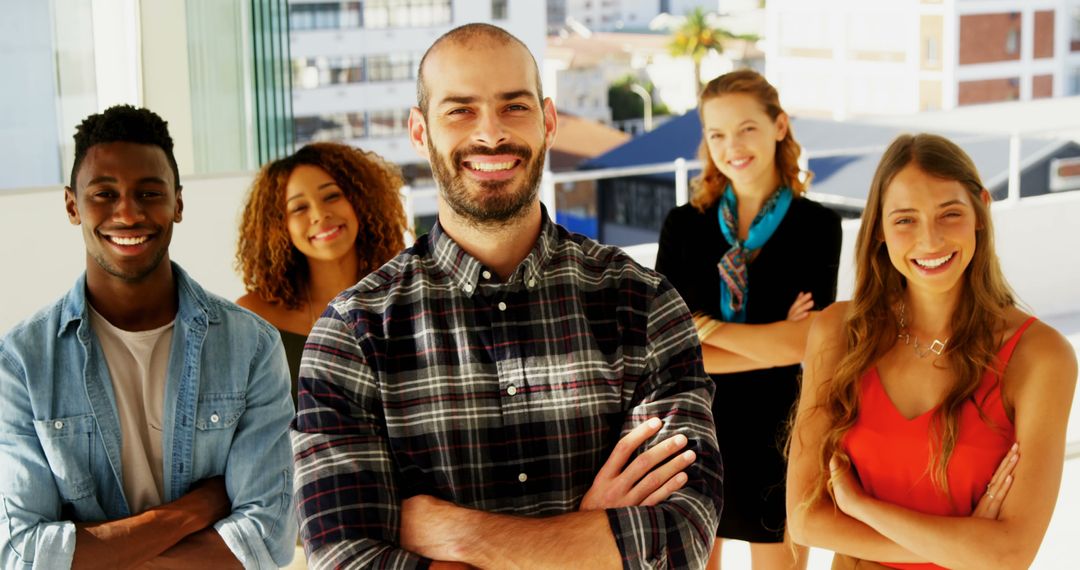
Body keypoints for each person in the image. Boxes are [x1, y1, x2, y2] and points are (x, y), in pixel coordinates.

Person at [291, 23, 722, 568]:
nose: (491, 134)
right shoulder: (353, 334)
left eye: (513, 107)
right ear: (420, 132)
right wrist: (588, 534)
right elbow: (345, 559)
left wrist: (459, 533)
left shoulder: (642, 301)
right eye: (460, 110)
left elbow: (682, 532)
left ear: (548, 121)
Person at [0, 105, 296, 568]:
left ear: (177, 203)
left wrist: (101, 556)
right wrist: (193, 510)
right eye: (104, 193)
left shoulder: (251, 345)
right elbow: (22, 551)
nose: (128, 212)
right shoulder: (21, 361)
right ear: (72, 205)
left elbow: (267, 538)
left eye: (148, 192)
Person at [787, 133, 1077, 569]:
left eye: (950, 214)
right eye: (905, 220)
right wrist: (968, 548)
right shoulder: (838, 332)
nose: (930, 241)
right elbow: (806, 520)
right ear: (880, 228)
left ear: (980, 209)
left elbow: (1012, 553)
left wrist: (861, 507)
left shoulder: (1040, 357)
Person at [654, 69, 842, 569]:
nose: (731, 146)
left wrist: (702, 327)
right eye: (716, 134)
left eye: (746, 128)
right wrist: (772, 338)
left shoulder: (817, 227)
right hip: (690, 431)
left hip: (780, 434)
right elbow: (664, 347)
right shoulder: (684, 226)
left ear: (779, 126)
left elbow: (804, 347)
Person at [236, 142, 408, 398]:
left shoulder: (407, 298)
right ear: (278, 226)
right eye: (299, 208)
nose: (319, 214)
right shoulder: (253, 318)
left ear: (360, 202)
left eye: (332, 196)